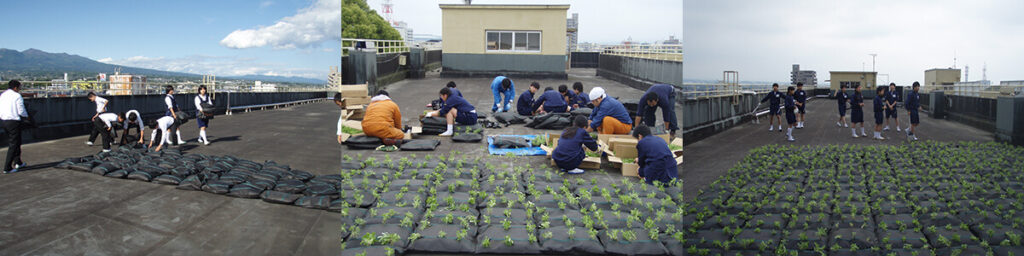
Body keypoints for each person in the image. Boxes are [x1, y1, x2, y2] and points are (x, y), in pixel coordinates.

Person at [1, 80, 29, 173]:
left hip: (4, 121)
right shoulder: (17, 96)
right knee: (13, 144)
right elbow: (21, 110)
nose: (19, 90)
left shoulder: (3, 95)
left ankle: (18, 162)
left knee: (16, 142)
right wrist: (27, 116)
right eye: (19, 88)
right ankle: (7, 167)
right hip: (14, 122)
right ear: (15, 88)